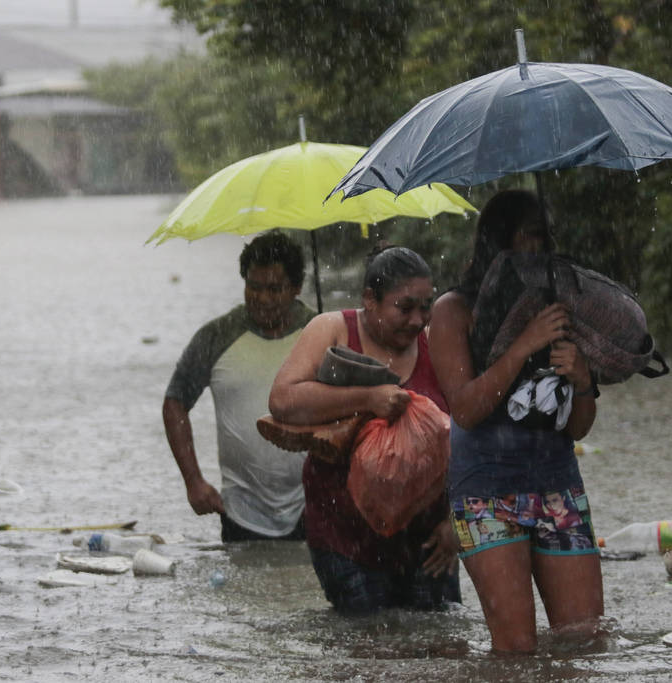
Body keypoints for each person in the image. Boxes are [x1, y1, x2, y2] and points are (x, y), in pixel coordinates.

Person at [428, 189, 603, 652]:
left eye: (551, 235)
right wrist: (524, 344)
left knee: (584, 643)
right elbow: (464, 408)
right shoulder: (454, 311)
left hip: (557, 487)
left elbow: (578, 427)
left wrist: (583, 380)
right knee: (517, 654)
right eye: (533, 235)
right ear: (500, 242)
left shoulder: (561, 311)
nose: (547, 245)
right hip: (486, 494)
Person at [269, 244, 460, 616]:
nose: (417, 320)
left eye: (426, 306)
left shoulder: (437, 342)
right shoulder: (333, 329)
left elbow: (468, 432)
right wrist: (368, 397)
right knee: (367, 652)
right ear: (369, 299)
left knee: (440, 650)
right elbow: (283, 399)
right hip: (343, 534)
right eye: (404, 307)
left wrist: (456, 522)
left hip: (428, 536)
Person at [163, 230, 317, 543]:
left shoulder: (322, 332)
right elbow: (175, 403)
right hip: (241, 512)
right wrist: (194, 481)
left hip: (315, 507)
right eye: (253, 287)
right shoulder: (217, 336)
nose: (262, 299)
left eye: (275, 289)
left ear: (298, 286)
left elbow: (357, 410)